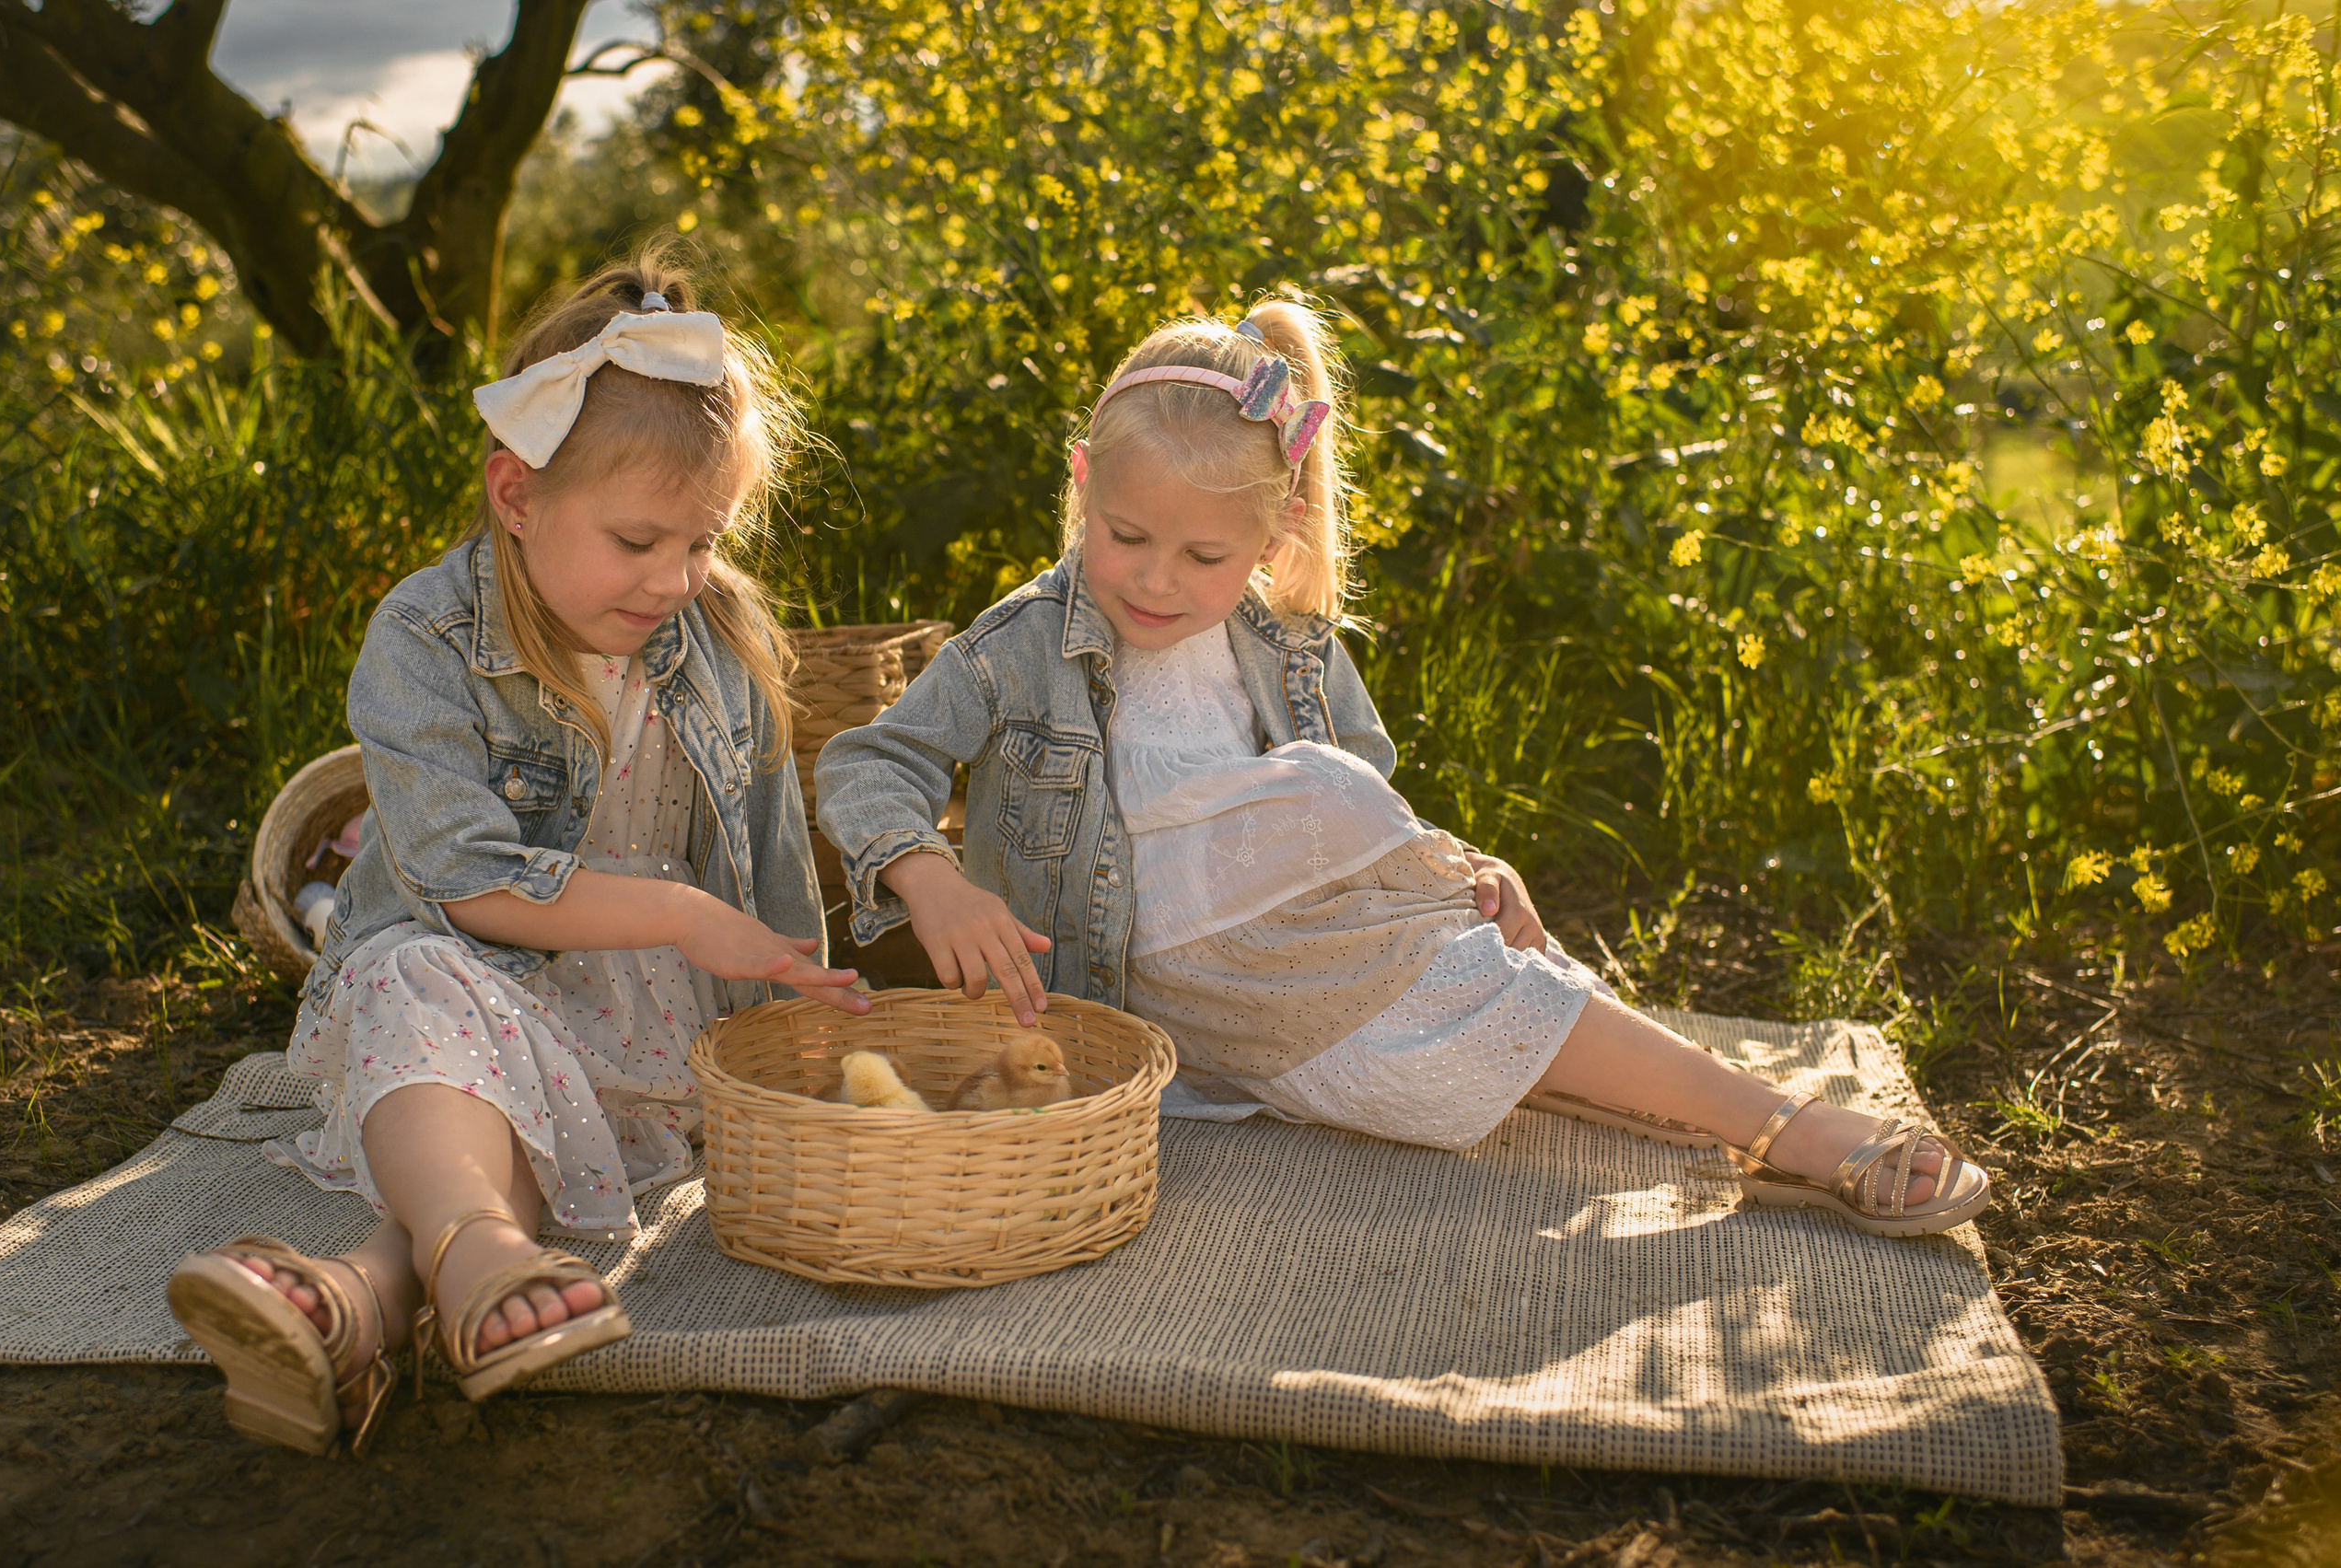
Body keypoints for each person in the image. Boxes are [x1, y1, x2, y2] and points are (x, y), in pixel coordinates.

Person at [814, 296, 1988, 1240]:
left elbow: (1360, 795)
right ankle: (1786, 1121)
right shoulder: (1021, 643)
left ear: (1273, 536)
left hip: (1290, 961)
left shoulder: (1287, 641)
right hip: (1149, 972)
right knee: (1389, 887)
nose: (1155, 579)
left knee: (1481, 987)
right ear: (1081, 484)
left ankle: (1771, 1130)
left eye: (1204, 553)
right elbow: (871, 762)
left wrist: (1458, 862)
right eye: (1125, 535)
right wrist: (931, 876)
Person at [166, 250, 868, 1458]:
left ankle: (355, 1306)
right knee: (407, 974)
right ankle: (479, 1258)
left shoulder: (718, 639)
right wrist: (684, 912)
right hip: (458, 993)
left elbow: (759, 852)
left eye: (701, 541)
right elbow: (467, 884)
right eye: (639, 539)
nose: (674, 578)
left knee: (519, 1119)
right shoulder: (428, 635)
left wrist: (788, 1006)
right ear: (516, 493)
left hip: (643, 1026)